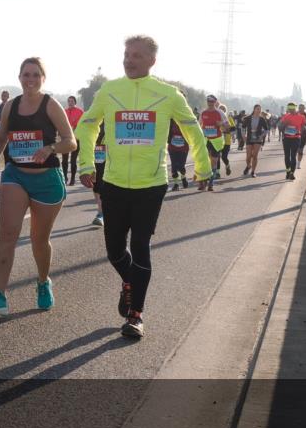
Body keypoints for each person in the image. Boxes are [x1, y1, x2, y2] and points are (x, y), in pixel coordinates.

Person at [77, 35, 211, 338]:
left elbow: (192, 130)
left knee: (139, 247)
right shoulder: (110, 91)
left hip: (151, 185)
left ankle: (136, 315)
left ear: (152, 60)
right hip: (113, 183)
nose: (129, 60)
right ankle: (130, 282)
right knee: (114, 251)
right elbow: (87, 125)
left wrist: (203, 168)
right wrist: (86, 164)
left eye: (136, 55)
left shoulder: (168, 94)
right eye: (126, 54)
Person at [0, 58, 77, 316]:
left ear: (43, 78)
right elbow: (1, 137)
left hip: (46, 180)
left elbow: (71, 142)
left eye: (35, 74)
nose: (30, 79)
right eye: (26, 74)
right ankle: (0, 296)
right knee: (8, 234)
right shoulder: (11, 106)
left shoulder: (51, 105)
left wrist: (50, 148)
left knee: (38, 240)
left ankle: (43, 281)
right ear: (19, 77)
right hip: (16, 176)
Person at [199, 95, 229, 190]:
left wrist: (221, 124)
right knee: (205, 161)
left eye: (212, 101)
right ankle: (203, 181)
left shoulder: (220, 112)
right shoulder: (203, 113)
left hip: (216, 140)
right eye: (209, 101)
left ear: (215, 102)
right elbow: (199, 126)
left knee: (214, 161)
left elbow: (227, 126)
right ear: (207, 102)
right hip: (206, 139)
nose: (210, 103)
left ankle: (211, 182)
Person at [279, 103, 306, 180]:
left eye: (292, 109)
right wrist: (284, 124)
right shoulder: (285, 116)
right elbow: (280, 127)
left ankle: (292, 173)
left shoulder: (301, 117)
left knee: (293, 156)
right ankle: (288, 172)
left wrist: (303, 128)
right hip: (287, 138)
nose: (291, 111)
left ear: (295, 109)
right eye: (289, 109)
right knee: (287, 157)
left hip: (296, 138)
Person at [61, 95, 84, 186]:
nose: (70, 103)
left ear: (75, 102)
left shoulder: (80, 112)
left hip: (76, 138)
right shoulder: (64, 111)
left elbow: (82, 125)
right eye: (69, 101)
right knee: (64, 160)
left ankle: (73, 179)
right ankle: (65, 177)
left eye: (72, 101)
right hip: (65, 139)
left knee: (73, 160)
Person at [241, 104, 268, 177]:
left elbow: (266, 130)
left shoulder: (262, 119)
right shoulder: (248, 118)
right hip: (249, 138)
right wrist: (243, 135)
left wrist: (262, 136)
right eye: (257, 109)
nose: (259, 110)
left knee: (255, 156)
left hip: (258, 139)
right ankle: (248, 166)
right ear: (254, 109)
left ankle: (253, 172)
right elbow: (243, 128)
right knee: (248, 156)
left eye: (260, 109)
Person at [90, 123, 107, 225]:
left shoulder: (114, 114)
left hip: (115, 156)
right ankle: (101, 212)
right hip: (97, 156)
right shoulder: (92, 116)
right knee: (97, 183)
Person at [167, 118, 189, 191]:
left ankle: (183, 177)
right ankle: (176, 184)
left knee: (181, 166)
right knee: (174, 166)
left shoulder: (186, 119)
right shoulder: (170, 121)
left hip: (183, 147)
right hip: (172, 147)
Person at [218, 103, 235, 176]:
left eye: (223, 110)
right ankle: (217, 172)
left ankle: (227, 166)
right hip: (217, 139)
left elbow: (234, 128)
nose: (222, 111)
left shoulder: (229, 118)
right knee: (217, 156)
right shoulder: (216, 118)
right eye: (220, 110)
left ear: (225, 111)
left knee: (224, 156)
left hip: (227, 140)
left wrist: (226, 130)